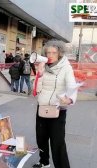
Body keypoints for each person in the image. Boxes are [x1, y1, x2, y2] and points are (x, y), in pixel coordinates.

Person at [32, 40, 77, 168]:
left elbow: (72, 85)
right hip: (42, 107)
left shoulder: (66, 68)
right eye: (48, 52)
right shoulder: (43, 66)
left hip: (58, 109)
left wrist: (69, 98)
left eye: (54, 52)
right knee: (41, 138)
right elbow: (37, 90)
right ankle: (44, 162)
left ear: (60, 53)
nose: (50, 55)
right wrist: (39, 74)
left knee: (57, 142)